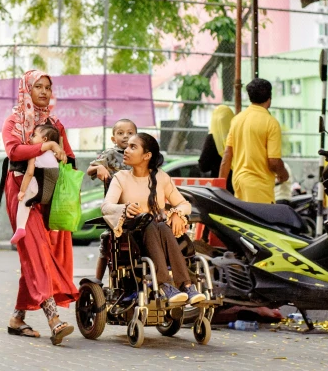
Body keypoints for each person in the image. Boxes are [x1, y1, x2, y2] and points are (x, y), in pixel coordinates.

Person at [2, 70, 77, 345]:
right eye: (38, 87)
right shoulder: (14, 121)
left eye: (48, 87)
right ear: (26, 90)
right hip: (22, 195)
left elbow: (68, 155)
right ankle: (54, 320)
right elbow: (14, 151)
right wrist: (45, 145)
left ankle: (17, 319)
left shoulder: (56, 123)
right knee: (36, 253)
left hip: (49, 195)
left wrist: (62, 156)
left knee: (34, 257)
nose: (44, 92)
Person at [101, 133, 203, 305]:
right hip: (133, 238)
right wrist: (123, 208)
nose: (126, 150)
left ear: (147, 156)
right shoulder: (121, 178)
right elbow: (106, 207)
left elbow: (185, 204)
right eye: (127, 147)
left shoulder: (161, 177)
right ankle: (166, 285)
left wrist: (178, 214)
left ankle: (186, 285)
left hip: (161, 235)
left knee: (162, 225)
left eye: (133, 147)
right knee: (151, 222)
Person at [219, 78, 289, 203]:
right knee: (262, 221)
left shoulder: (237, 120)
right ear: (269, 98)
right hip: (259, 186)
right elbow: (273, 161)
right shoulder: (271, 123)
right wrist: (283, 173)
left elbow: (227, 156)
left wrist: (220, 186)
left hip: (239, 183)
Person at [87, 118, 138, 280]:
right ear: (113, 138)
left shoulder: (141, 154)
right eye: (120, 133)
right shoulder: (110, 154)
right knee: (108, 242)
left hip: (138, 206)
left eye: (130, 133)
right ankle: (98, 280)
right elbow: (90, 170)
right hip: (115, 208)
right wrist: (100, 167)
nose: (125, 136)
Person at [11, 124, 61, 245]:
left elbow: (29, 173)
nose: (30, 138)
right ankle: (54, 231)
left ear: (44, 140)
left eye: (34, 135)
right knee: (54, 210)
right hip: (51, 194)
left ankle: (20, 228)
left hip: (36, 191)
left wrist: (22, 191)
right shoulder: (55, 156)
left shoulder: (34, 154)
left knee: (24, 203)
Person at [198, 105, 234, 193]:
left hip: (220, 191)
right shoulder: (238, 136)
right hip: (238, 186)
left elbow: (203, 166)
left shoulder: (211, 139)